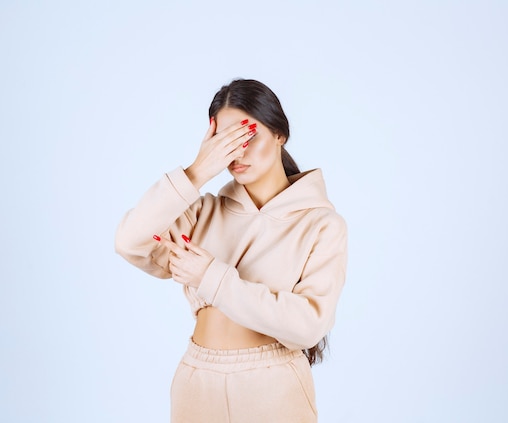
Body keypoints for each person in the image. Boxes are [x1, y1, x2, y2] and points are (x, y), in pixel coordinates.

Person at [115, 79, 347, 422]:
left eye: (247, 136)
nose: (237, 152)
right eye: (224, 142)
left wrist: (212, 278)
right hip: (197, 381)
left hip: (274, 385)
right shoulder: (202, 211)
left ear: (280, 135)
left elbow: (308, 325)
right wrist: (195, 173)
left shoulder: (322, 224)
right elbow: (129, 241)